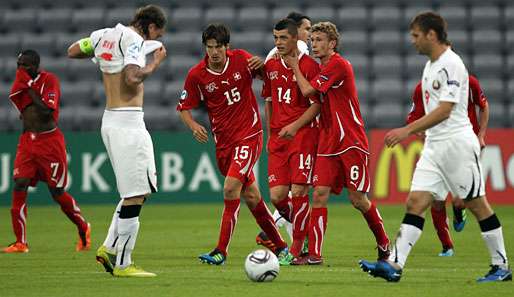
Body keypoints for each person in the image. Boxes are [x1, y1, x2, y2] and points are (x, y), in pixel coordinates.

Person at [359, 12, 511, 283]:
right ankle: (394, 264)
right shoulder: (431, 65)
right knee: (415, 202)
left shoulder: (452, 64)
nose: (413, 41)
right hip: (434, 146)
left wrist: (407, 130)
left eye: (416, 35)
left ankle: (500, 266)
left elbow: (445, 110)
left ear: (431, 34)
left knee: (477, 204)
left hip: (457, 144)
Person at [177, 23, 290, 266]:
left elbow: (268, 75)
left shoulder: (241, 59)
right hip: (224, 144)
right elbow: (184, 108)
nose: (214, 52)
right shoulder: (197, 75)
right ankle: (282, 248)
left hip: (249, 135)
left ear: (227, 47)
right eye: (210, 47)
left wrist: (261, 64)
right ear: (205, 48)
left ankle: (221, 251)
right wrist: (193, 125)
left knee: (230, 189)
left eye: (218, 47)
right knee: (251, 197)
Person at [67, 5, 167, 277]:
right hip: (129, 122)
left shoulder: (103, 35)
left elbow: (74, 50)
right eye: (156, 33)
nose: (153, 38)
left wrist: (102, 55)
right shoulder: (134, 40)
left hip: (110, 120)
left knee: (134, 192)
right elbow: (133, 77)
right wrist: (154, 62)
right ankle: (124, 264)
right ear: (151, 26)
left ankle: (108, 247)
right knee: (136, 194)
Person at [284, 22, 390, 265]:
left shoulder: (338, 65)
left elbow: (308, 91)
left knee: (358, 200)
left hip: (351, 141)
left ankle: (384, 243)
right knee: (319, 194)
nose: (314, 44)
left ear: (332, 43)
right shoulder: (324, 68)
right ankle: (315, 255)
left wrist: (294, 67)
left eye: (320, 40)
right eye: (313, 40)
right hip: (328, 141)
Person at [3, 50, 91, 254]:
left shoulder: (49, 80)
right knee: (19, 184)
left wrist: (29, 87)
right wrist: (24, 86)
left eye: (24, 65)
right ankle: (20, 242)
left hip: (49, 142)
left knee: (57, 192)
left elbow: (46, 112)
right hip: (27, 142)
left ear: (34, 65)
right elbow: (24, 112)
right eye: (18, 65)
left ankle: (83, 227)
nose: (20, 70)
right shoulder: (20, 84)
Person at [257, 19, 320, 265]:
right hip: (279, 139)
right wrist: (271, 132)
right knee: (277, 196)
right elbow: (269, 100)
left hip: (303, 136)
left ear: (295, 39)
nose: (278, 43)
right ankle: (302, 233)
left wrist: (294, 126)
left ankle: (297, 247)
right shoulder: (271, 65)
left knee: (300, 191)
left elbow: (317, 105)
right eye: (275, 38)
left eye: (283, 38)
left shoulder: (309, 66)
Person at [407, 74, 490, 257]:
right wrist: (421, 133)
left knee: (461, 200)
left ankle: (459, 210)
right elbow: (413, 118)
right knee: (436, 201)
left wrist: (481, 135)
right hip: (438, 149)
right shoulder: (423, 87)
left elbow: (483, 106)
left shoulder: (469, 82)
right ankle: (447, 246)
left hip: (465, 146)